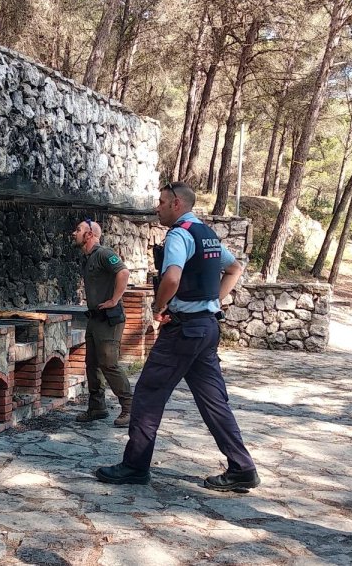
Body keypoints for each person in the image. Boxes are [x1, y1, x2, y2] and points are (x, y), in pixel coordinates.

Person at [95, 181, 259, 491]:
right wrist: (213, 302)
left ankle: (134, 466)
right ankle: (242, 468)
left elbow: (172, 277)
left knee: (147, 395)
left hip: (183, 330)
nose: (156, 207)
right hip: (207, 327)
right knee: (214, 402)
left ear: (176, 205)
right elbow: (234, 268)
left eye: (160, 202)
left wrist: (159, 307)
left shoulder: (180, 234)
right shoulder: (208, 235)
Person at [72, 219, 133, 427]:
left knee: (109, 363)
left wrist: (114, 299)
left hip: (109, 319)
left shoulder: (104, 254)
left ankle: (129, 407)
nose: (74, 233)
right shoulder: (88, 258)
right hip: (95, 319)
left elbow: (123, 272)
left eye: (78, 230)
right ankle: (97, 407)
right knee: (92, 365)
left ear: (90, 234)